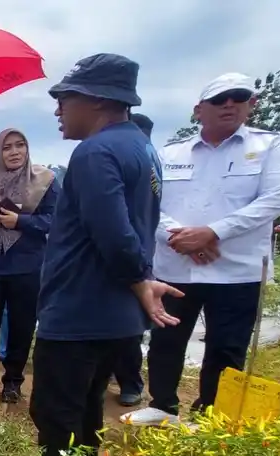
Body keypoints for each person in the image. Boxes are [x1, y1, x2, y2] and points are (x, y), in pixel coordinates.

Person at [32, 53, 182, 456]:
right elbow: (132, 227)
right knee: (87, 408)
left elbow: (114, 235)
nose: (58, 110)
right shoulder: (142, 148)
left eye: (64, 99)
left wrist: (140, 279)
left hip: (79, 310)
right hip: (112, 315)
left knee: (57, 413)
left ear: (97, 99)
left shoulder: (95, 152)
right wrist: (140, 280)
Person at [121, 73, 280, 427]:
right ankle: (163, 406)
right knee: (166, 340)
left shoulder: (271, 146)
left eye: (238, 97)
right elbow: (147, 203)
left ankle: (210, 415)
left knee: (227, 347)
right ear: (198, 110)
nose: (229, 104)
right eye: (219, 99)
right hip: (175, 266)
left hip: (237, 271)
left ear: (251, 104)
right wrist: (179, 237)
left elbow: (276, 198)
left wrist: (213, 233)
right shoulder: (169, 154)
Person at [0, 129, 58, 402]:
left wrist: (21, 221)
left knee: (22, 326)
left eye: (20, 145)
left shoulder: (45, 182)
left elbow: (56, 221)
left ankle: (13, 382)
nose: (15, 152)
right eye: (7, 148)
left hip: (27, 267)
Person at [110, 112, 157, 407]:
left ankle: (130, 381)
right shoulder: (125, 162)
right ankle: (110, 375)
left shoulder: (148, 164)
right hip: (118, 257)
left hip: (133, 256)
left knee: (129, 326)